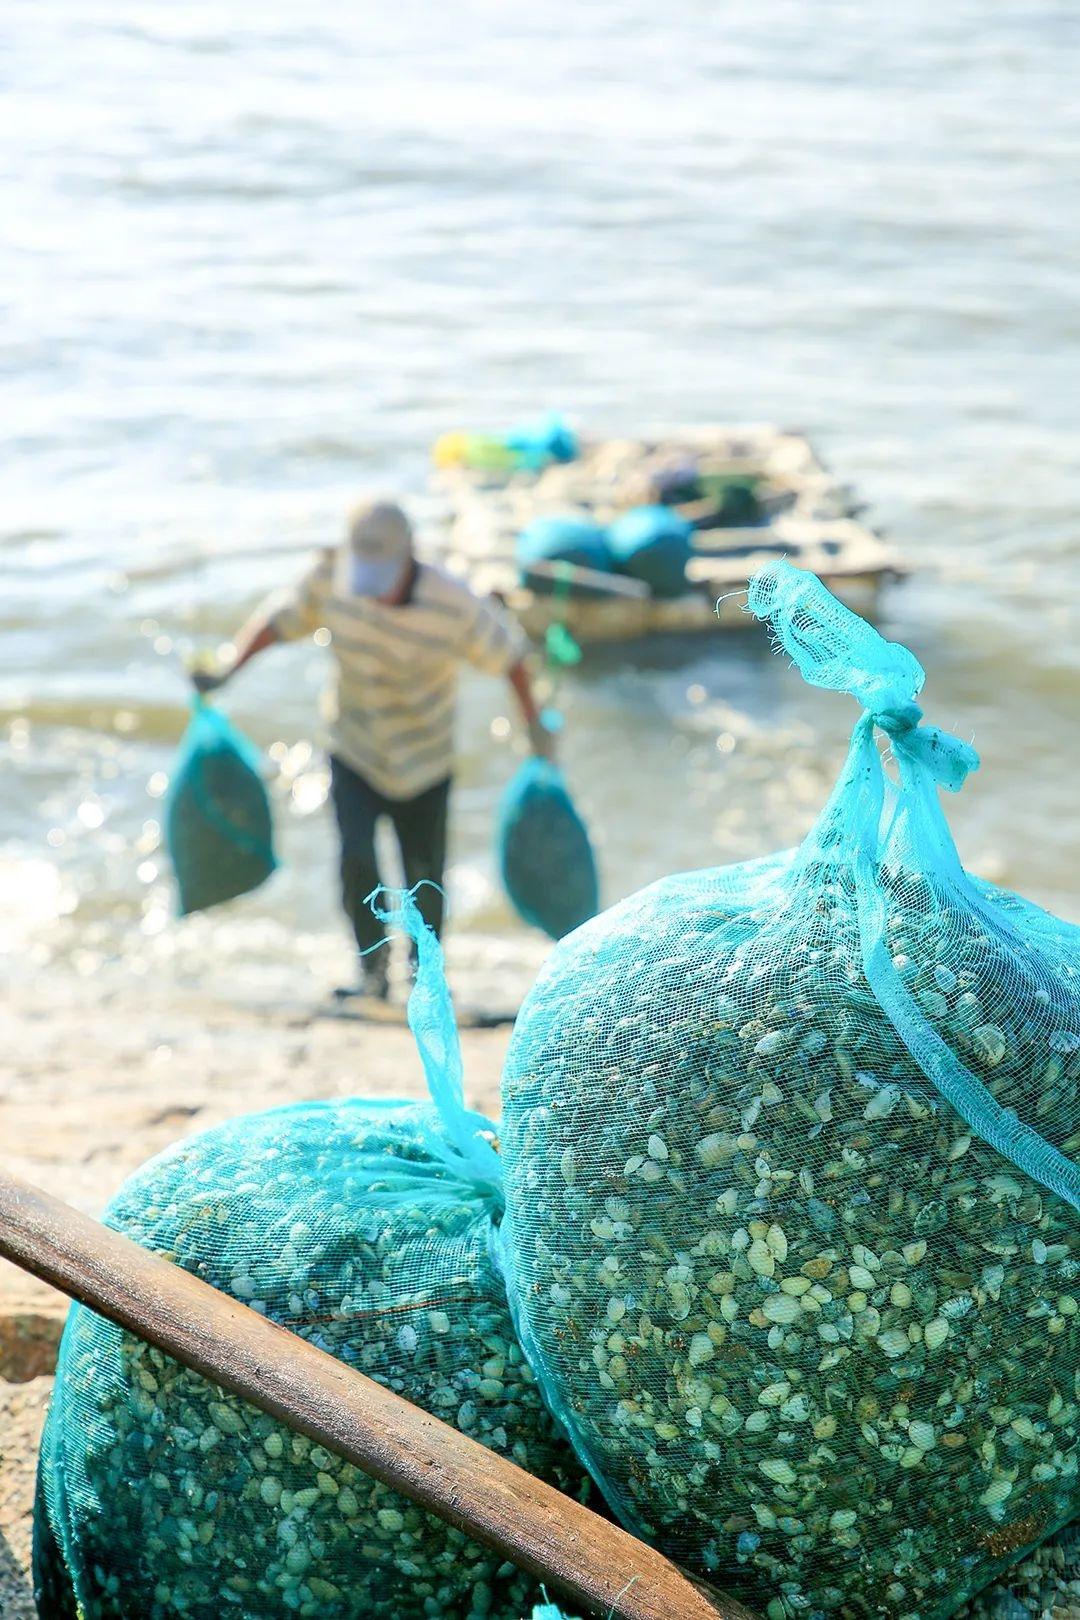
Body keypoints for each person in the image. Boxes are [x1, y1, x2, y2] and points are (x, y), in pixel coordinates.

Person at [195, 498, 553, 998]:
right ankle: (373, 976)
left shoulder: (453, 603)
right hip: (354, 747)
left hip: (425, 759)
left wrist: (535, 731)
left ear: (410, 555)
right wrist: (227, 669)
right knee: (355, 862)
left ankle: (426, 981)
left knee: (424, 879)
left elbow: (511, 658)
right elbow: (279, 622)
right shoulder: (330, 577)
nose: (372, 592)